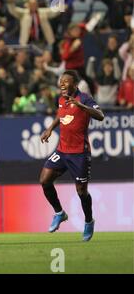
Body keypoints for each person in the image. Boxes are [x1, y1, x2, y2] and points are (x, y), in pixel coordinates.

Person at [40, 70, 104, 242]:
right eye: (60, 81)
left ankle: (89, 221)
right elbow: (60, 115)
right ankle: (60, 213)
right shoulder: (61, 99)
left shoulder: (84, 98)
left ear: (75, 84)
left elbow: (101, 116)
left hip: (79, 153)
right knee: (45, 180)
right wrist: (50, 129)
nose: (61, 84)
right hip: (62, 151)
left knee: (81, 191)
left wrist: (80, 106)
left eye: (65, 81)